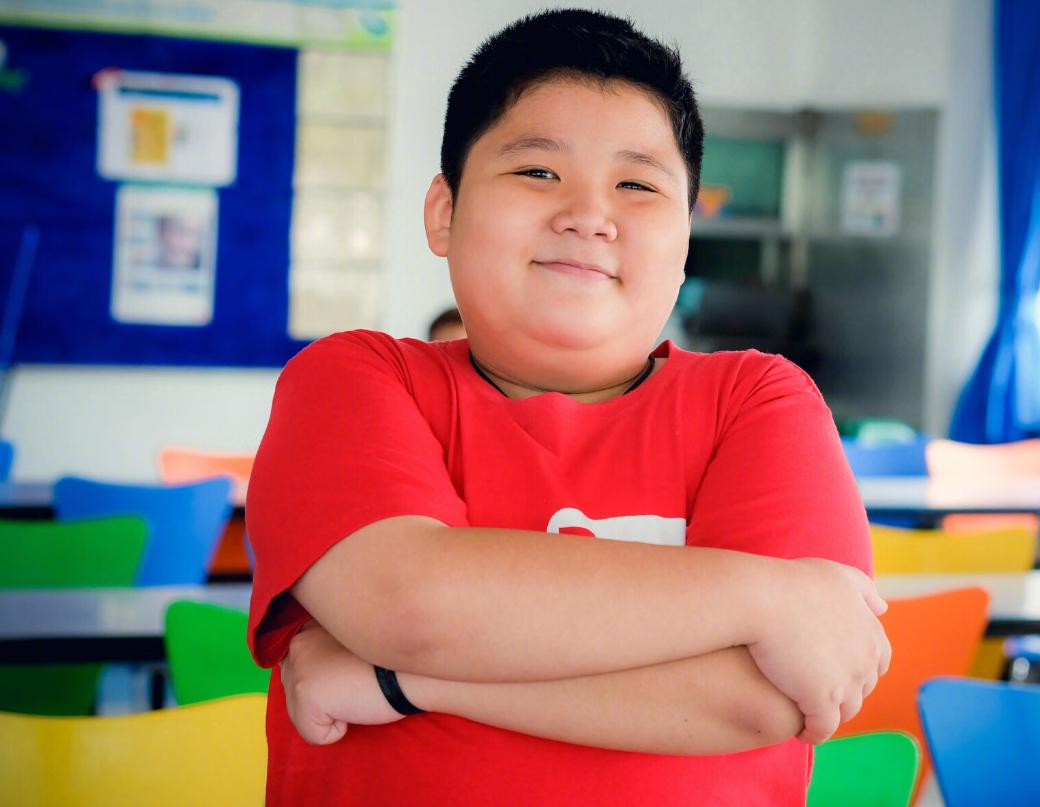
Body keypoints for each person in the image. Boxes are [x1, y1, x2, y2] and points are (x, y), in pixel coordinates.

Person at [246, 10, 890, 806]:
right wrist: (768, 597)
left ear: (683, 241)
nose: (588, 213)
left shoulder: (759, 400)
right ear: (444, 212)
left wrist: (400, 681)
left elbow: (767, 697)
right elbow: (407, 603)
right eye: (537, 171)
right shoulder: (354, 379)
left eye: (637, 184)